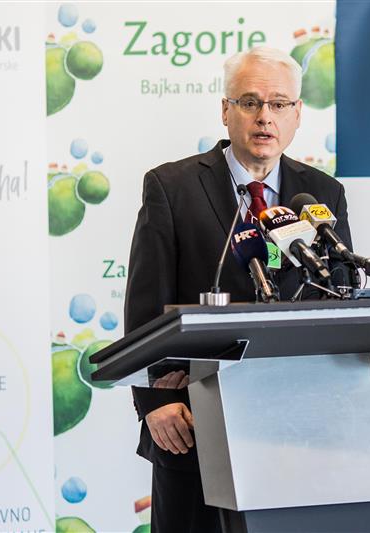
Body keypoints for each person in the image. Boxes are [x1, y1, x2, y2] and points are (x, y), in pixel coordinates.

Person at [124, 46, 353, 533]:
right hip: (193, 421)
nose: (265, 116)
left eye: (279, 104)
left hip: (297, 426)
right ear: (225, 111)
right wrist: (154, 403)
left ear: (297, 115)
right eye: (250, 102)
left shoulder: (322, 194)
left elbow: (337, 301)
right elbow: (145, 305)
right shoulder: (172, 187)